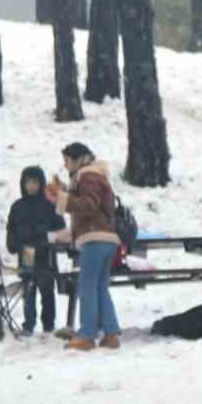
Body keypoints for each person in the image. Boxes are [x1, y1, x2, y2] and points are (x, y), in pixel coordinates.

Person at [43, 142, 122, 351]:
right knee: (99, 287)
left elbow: (88, 204)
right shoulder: (94, 176)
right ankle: (111, 333)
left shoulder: (88, 175)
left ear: (79, 159)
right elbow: (87, 202)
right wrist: (63, 193)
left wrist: (63, 199)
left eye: (67, 161)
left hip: (94, 238)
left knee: (86, 287)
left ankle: (87, 335)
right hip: (106, 239)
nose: (66, 166)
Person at [4, 165, 65, 336]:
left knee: (47, 290)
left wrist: (47, 238)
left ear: (41, 184)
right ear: (23, 184)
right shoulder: (17, 206)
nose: (31, 186)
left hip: (46, 252)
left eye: (35, 182)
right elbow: (11, 228)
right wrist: (12, 243)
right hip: (27, 252)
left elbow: (61, 228)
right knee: (28, 289)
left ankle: (48, 324)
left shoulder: (49, 205)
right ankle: (29, 324)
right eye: (28, 182)